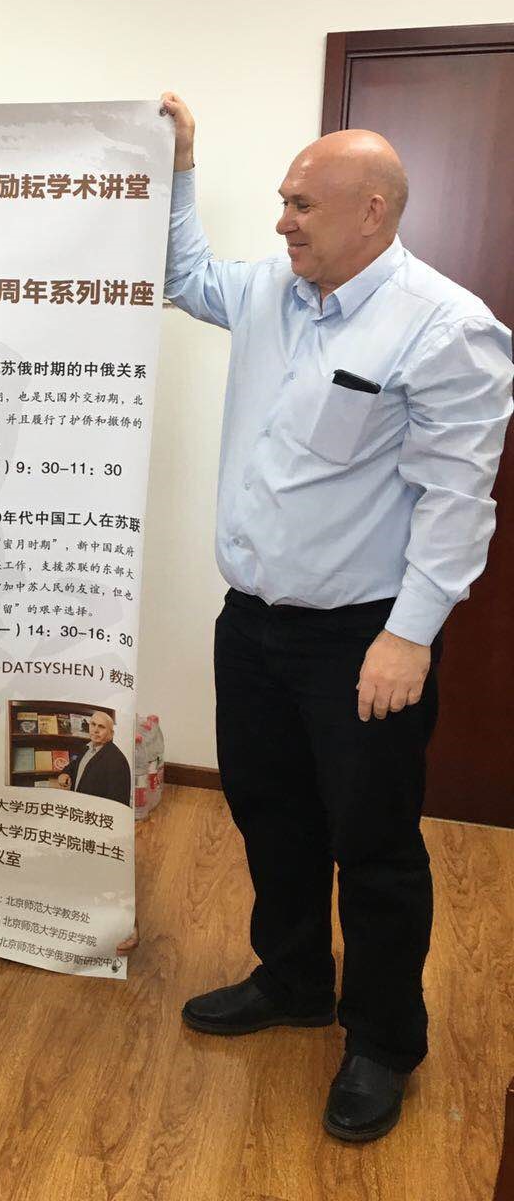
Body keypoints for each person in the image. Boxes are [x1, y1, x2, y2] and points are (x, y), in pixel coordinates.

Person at [158, 93, 512, 1142]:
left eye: (302, 205)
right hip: (252, 625)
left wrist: (410, 635)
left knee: (374, 843)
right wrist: (181, 166)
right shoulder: (272, 291)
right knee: (269, 814)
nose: (282, 222)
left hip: (363, 640)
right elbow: (184, 275)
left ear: (373, 211)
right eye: (282, 202)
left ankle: (383, 1040)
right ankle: (295, 981)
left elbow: (457, 499)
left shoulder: (446, 326)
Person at [58, 710, 131, 806]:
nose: (95, 730)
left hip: (94, 813)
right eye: (93, 724)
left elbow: (118, 803)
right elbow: (76, 765)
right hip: (77, 808)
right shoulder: (87, 748)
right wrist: (65, 773)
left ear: (111, 734)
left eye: (101, 727)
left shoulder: (117, 760)